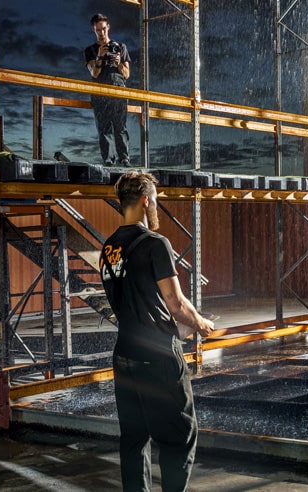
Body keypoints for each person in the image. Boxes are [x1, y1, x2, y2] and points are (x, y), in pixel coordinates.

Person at [100, 170, 214, 491]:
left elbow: (129, 301)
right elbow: (175, 303)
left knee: (134, 440)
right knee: (180, 436)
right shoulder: (155, 243)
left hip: (124, 355)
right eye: (156, 201)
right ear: (147, 200)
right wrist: (201, 323)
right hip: (159, 356)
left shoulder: (109, 248)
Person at [85, 13, 131, 166]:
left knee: (120, 127)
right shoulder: (90, 50)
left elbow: (127, 74)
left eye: (104, 29)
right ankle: (109, 160)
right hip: (100, 94)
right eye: (98, 30)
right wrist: (99, 56)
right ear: (94, 30)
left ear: (108, 27)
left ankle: (124, 158)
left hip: (119, 91)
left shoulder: (120, 47)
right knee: (104, 128)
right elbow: (94, 73)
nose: (102, 33)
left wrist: (118, 62)